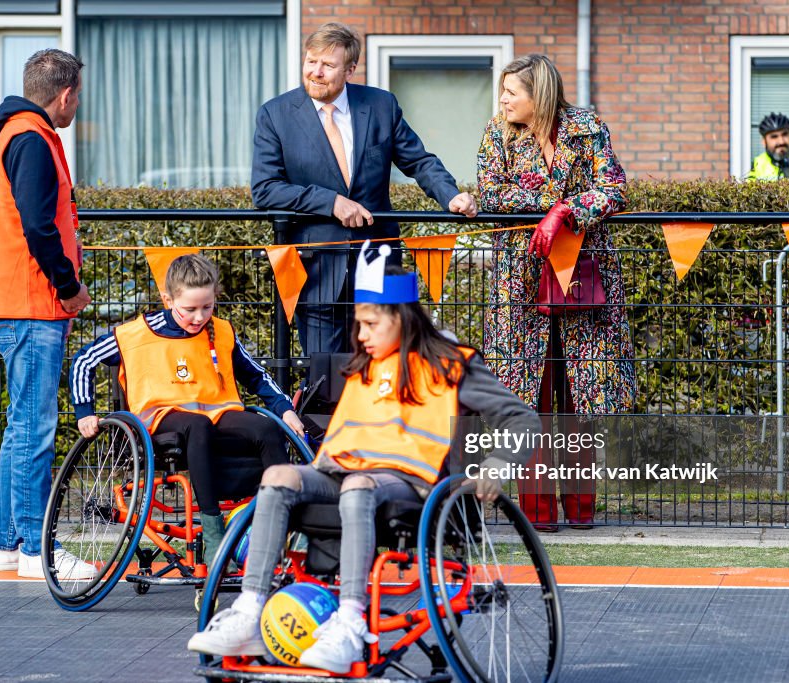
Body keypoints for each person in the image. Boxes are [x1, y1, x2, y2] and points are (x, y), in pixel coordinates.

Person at [188, 242, 541, 674]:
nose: (362, 335)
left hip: (413, 484)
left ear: (402, 319)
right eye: (359, 324)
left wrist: (499, 464)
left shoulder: (452, 364)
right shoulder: (364, 365)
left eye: (371, 324)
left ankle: (351, 621)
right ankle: (248, 610)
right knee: (279, 475)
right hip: (344, 473)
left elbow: (522, 418)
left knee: (358, 485)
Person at [476, 54, 636, 531]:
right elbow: (490, 195)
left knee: (579, 393)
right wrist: (555, 206)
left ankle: (582, 507)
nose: (502, 99)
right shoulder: (496, 134)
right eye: (502, 91)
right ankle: (538, 512)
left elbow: (615, 187)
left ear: (538, 95)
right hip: (521, 277)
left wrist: (565, 211)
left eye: (511, 92)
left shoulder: (587, 127)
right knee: (532, 393)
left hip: (584, 269)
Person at [251, 22, 477, 357]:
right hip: (315, 268)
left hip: (378, 260)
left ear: (350, 69)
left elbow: (419, 161)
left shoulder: (382, 105)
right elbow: (265, 189)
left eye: (327, 65)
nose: (315, 72)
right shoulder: (275, 114)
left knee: (385, 365)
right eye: (310, 61)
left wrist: (451, 195)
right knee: (325, 375)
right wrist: (331, 202)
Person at [70, 254, 305, 566]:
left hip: (218, 413)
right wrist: (84, 411)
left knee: (267, 429)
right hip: (160, 419)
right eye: (190, 309)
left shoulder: (221, 331)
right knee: (197, 426)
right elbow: (83, 360)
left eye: (207, 307)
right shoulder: (134, 334)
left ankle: (284, 522)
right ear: (168, 299)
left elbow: (256, 376)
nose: (199, 317)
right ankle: (212, 531)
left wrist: (285, 410)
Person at [0, 48, 96, 579]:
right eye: (77, 97)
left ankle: (5, 544)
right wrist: (69, 287)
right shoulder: (31, 138)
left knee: (20, 427)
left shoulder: (16, 132)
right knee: (34, 429)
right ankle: (34, 549)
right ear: (66, 94)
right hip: (33, 303)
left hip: (17, 301)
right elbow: (39, 227)